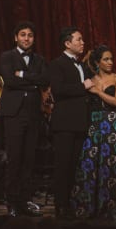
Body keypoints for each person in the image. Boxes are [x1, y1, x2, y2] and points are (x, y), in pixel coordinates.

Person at [71, 45, 116, 219]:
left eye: (111, 59)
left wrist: (97, 91)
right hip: (95, 125)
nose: (110, 62)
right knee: (93, 166)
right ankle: (94, 207)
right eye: (106, 59)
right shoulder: (89, 78)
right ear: (97, 62)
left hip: (114, 124)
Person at [0, 21, 49, 216]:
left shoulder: (39, 59)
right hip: (13, 113)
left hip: (33, 114)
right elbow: (9, 80)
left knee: (29, 160)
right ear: (15, 38)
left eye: (30, 35)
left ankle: (25, 201)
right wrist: (32, 80)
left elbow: (45, 80)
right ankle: (12, 202)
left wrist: (22, 75)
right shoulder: (7, 56)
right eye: (23, 35)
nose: (26, 38)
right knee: (14, 159)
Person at [49, 26, 94, 218]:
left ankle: (71, 202)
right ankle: (61, 205)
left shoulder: (83, 66)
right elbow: (58, 90)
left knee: (75, 165)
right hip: (64, 123)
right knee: (63, 166)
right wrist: (82, 86)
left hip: (80, 123)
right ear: (67, 43)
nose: (82, 43)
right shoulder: (57, 64)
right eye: (79, 39)